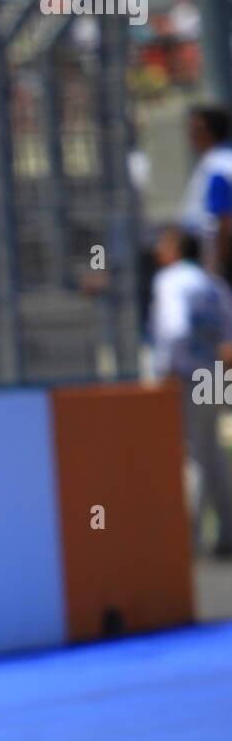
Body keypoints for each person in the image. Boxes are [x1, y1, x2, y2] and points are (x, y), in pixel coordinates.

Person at [151, 227, 232, 556]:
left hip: (187, 374)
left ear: (175, 248)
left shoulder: (170, 280)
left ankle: (190, 543)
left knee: (193, 456)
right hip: (214, 373)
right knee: (213, 453)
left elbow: (176, 328)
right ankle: (227, 531)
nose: (158, 249)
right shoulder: (212, 282)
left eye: (163, 243)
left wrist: (167, 371)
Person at [180, 106, 232, 279]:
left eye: (196, 130)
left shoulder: (218, 166)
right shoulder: (218, 160)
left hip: (217, 256)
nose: (191, 136)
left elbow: (223, 218)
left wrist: (218, 263)